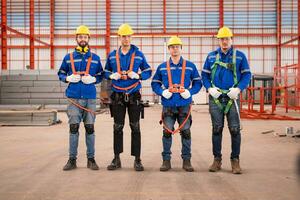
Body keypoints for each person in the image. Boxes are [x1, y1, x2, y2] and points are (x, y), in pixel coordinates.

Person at [201, 26, 251, 174]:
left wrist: (239, 89)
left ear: (231, 39)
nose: (224, 41)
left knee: (235, 130)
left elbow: (247, 75)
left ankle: (235, 160)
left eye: (227, 38)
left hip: (232, 97)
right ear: (218, 40)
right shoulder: (211, 57)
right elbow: (204, 76)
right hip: (216, 98)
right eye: (222, 39)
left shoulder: (240, 56)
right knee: (216, 129)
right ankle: (217, 160)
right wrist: (210, 88)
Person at [104, 23, 152, 171]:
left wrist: (138, 75)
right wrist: (111, 75)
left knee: (135, 127)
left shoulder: (138, 54)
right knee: (117, 127)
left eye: (128, 36)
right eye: (123, 36)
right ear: (119, 37)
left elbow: (148, 71)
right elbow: (105, 72)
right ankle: (116, 158)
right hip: (117, 95)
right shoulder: (112, 55)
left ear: (131, 37)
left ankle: (137, 159)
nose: (126, 39)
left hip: (134, 95)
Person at [151, 36, 202, 172]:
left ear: (181, 48)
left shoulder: (190, 66)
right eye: (172, 47)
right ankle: (166, 161)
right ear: (168, 49)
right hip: (168, 104)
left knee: (185, 132)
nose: (175, 49)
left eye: (177, 46)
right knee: (167, 133)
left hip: (184, 104)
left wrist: (190, 92)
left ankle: (186, 160)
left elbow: (198, 82)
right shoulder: (162, 67)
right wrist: (162, 92)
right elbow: (154, 83)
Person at [58, 25, 103, 171]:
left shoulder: (95, 58)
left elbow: (101, 75)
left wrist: (94, 80)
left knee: (90, 128)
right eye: (80, 37)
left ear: (89, 39)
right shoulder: (68, 57)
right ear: (76, 39)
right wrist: (67, 78)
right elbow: (61, 73)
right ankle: (72, 160)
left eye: (85, 37)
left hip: (89, 98)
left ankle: (91, 159)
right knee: (73, 128)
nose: (82, 39)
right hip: (74, 98)